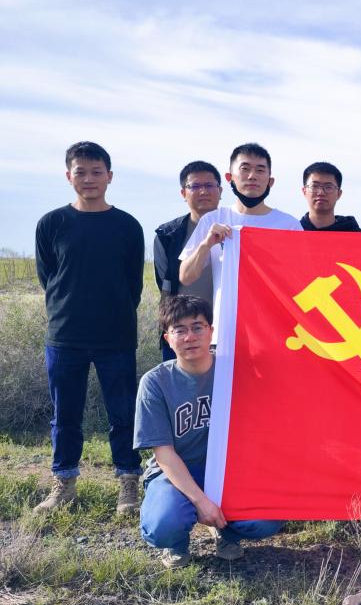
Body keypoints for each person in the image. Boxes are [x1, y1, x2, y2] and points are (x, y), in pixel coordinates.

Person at [34, 141, 144, 514]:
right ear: (69, 176)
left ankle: (128, 482)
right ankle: (64, 484)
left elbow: (133, 284)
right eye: (80, 172)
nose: (89, 179)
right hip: (65, 336)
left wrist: (113, 311)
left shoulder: (127, 226)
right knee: (65, 415)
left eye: (97, 172)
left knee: (123, 414)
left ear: (109, 176)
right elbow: (48, 278)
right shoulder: (51, 223)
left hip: (116, 336)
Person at [135, 295, 282, 567]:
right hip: (176, 472)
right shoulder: (155, 383)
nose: (190, 337)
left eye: (197, 327)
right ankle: (176, 542)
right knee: (163, 524)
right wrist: (201, 500)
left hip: (229, 471)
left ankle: (226, 531)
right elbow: (164, 454)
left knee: (266, 518)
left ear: (211, 331)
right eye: (180, 330)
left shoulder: (236, 370)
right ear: (168, 339)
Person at [179, 143, 301, 343]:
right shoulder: (213, 220)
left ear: (270, 181)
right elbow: (186, 276)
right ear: (230, 177)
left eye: (260, 170)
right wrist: (206, 244)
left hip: (276, 332)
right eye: (245, 169)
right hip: (226, 332)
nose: (252, 176)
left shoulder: (289, 225)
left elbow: (301, 281)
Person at [154, 161, 223, 360]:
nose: (203, 191)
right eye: (195, 186)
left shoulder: (235, 228)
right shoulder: (168, 235)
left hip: (226, 331)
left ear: (220, 191)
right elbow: (165, 283)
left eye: (209, 185)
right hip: (183, 332)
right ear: (183, 193)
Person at [300, 161, 361, 232]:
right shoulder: (295, 230)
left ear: (339, 194)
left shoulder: (355, 234)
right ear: (304, 191)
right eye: (314, 186)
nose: (321, 192)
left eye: (328, 187)